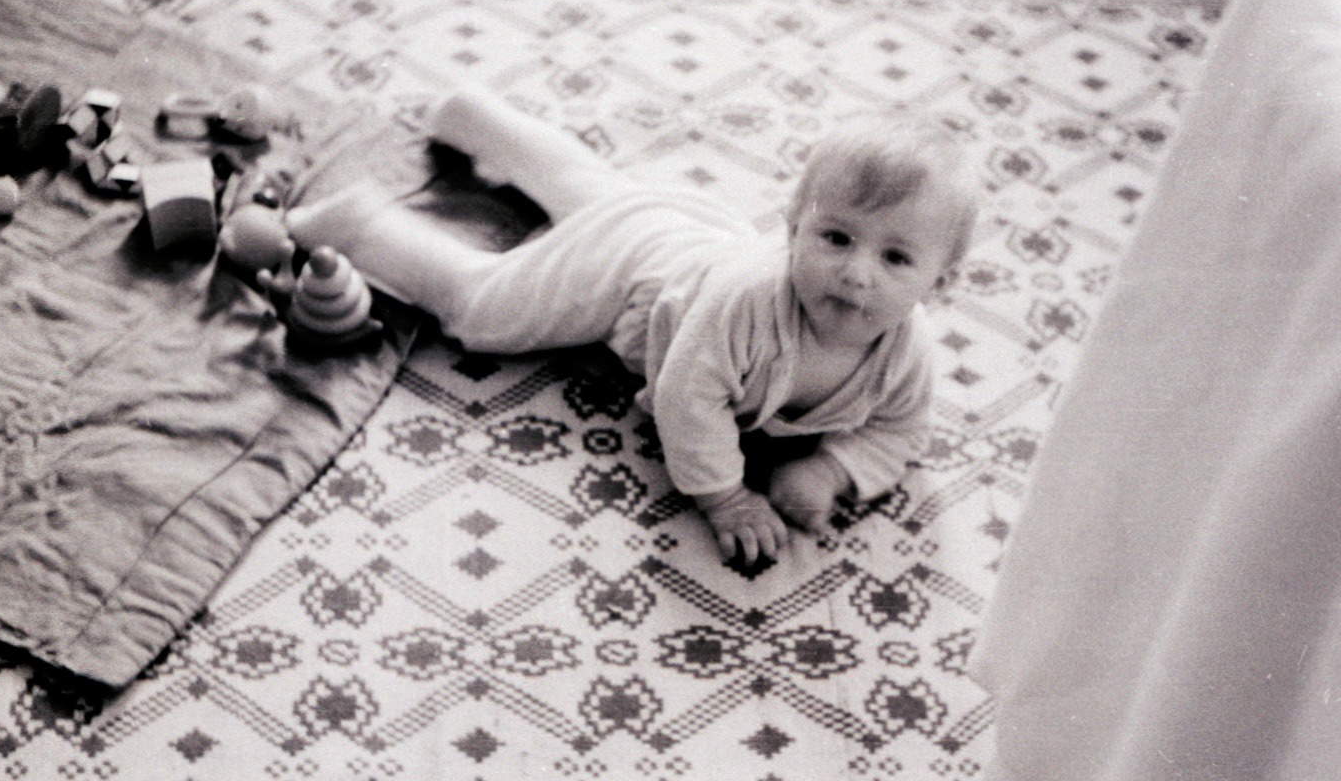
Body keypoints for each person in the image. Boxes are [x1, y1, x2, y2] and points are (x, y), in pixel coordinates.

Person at [286, 90, 978, 566]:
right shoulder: (746, 309)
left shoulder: (904, 355)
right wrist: (726, 498)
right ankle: (360, 226)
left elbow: (900, 429)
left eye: (894, 257)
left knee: (593, 190)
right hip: (633, 275)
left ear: (939, 284)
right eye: (834, 237)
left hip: (688, 233)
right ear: (793, 226)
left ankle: (476, 118)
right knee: (485, 309)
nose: (856, 273)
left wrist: (833, 469)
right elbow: (686, 399)